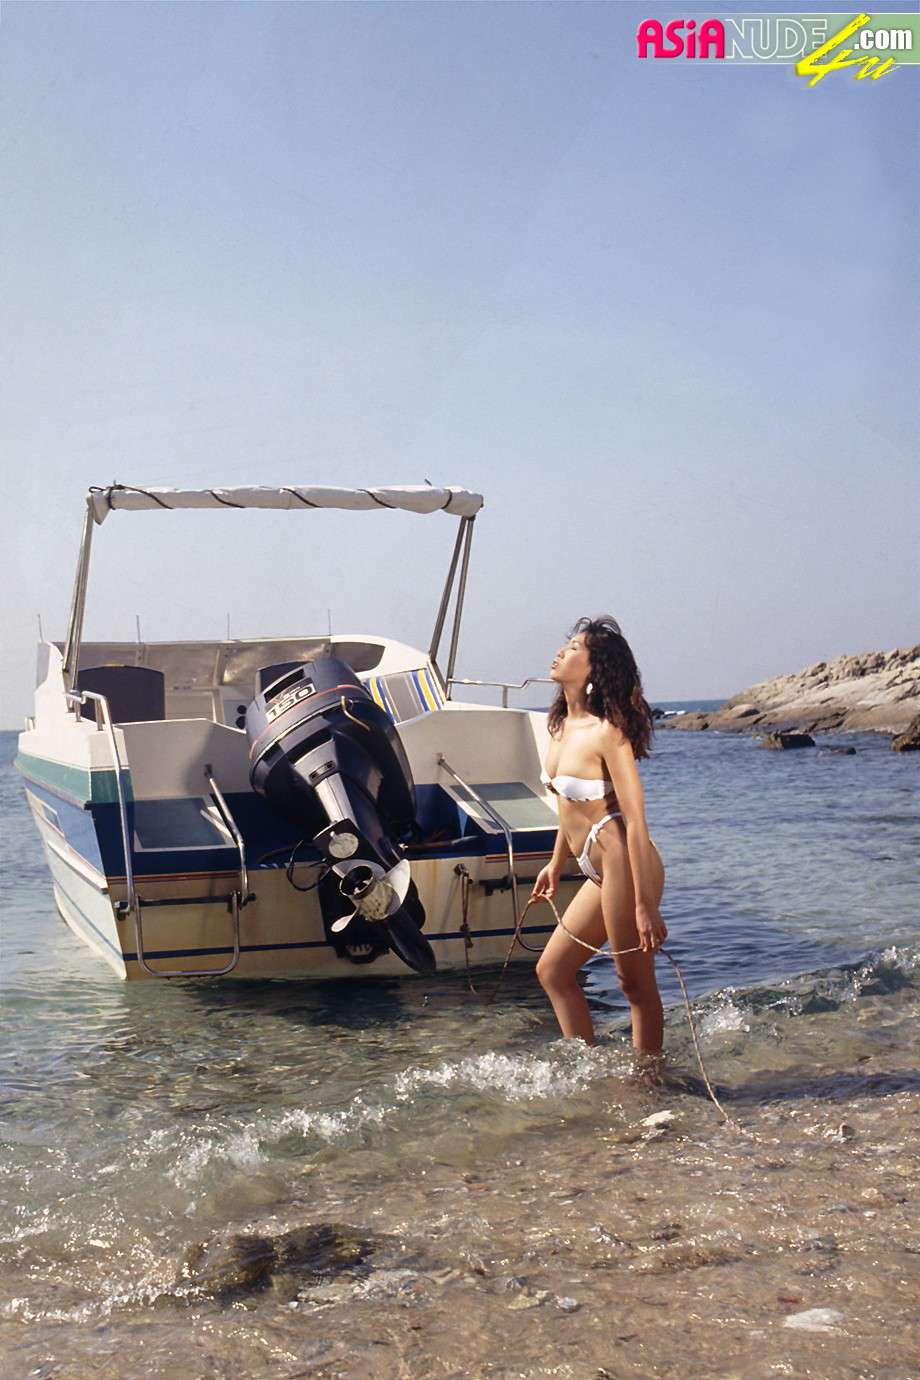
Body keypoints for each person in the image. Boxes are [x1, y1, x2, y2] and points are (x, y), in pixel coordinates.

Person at [532, 616, 667, 1053]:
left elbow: (636, 820)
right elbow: (566, 803)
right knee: (553, 971)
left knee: (634, 984)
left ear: (594, 668)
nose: (561, 652)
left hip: (624, 861)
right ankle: (586, 1066)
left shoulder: (608, 732)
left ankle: (648, 1078)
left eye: (574, 648)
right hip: (594, 865)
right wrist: (556, 864)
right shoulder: (558, 726)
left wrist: (645, 905)